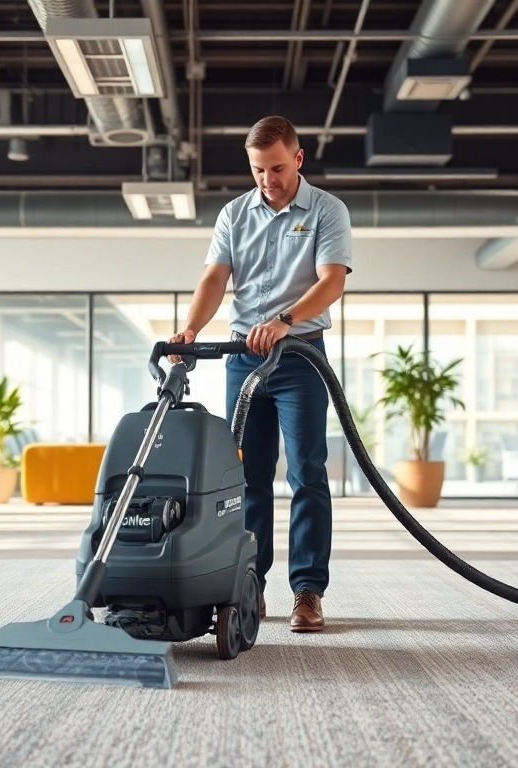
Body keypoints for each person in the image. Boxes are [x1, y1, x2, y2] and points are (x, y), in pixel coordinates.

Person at [169, 116, 351, 632]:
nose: (267, 179)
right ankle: (249, 583)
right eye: (257, 169)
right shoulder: (234, 213)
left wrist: (284, 321)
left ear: (298, 158)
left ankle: (308, 592)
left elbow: (331, 281)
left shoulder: (326, 211)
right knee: (247, 479)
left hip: (300, 357)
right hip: (243, 359)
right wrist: (189, 329)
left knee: (307, 474)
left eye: (275, 167)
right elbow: (215, 277)